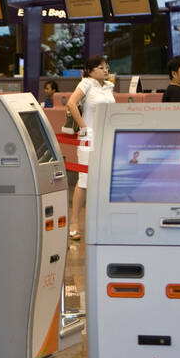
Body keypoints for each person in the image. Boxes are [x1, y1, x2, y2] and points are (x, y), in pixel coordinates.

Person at [65, 55, 115, 241]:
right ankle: (74, 222)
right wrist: (84, 127)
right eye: (101, 67)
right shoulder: (86, 83)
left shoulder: (109, 87)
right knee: (84, 180)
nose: (105, 70)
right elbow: (71, 103)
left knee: (104, 181)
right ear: (91, 70)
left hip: (106, 136)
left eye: (106, 67)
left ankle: (101, 223)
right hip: (89, 137)